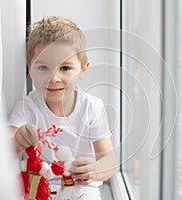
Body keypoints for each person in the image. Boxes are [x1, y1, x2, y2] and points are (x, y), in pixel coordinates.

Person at [8, 16, 117, 199]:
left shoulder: (92, 107)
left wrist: (94, 170)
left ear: (83, 69)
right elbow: (3, 149)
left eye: (65, 68)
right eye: (43, 67)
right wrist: (18, 140)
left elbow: (110, 161)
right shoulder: (26, 107)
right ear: (29, 68)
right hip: (39, 186)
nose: (54, 78)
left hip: (82, 189)